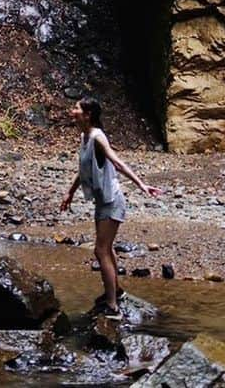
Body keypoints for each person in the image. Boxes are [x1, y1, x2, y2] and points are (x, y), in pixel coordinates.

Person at [58, 97, 158, 318]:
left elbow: (118, 162)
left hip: (112, 202)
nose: (72, 110)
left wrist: (141, 184)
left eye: (76, 108)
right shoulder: (84, 137)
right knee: (107, 247)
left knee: (100, 250)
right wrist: (70, 192)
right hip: (103, 201)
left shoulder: (97, 137)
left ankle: (112, 306)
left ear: (88, 115)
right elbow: (83, 168)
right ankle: (116, 291)